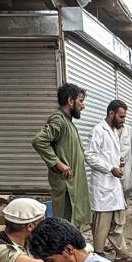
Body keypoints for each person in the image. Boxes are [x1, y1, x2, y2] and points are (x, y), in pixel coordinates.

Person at [32, 83, 92, 231]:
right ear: (70, 101)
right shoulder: (59, 120)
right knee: (63, 225)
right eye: (81, 101)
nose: (83, 106)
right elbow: (39, 141)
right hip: (65, 185)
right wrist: (59, 164)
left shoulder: (68, 122)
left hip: (72, 184)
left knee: (71, 225)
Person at [85, 99, 132, 262]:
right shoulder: (98, 130)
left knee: (118, 222)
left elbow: (108, 153)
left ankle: (121, 253)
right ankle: (99, 253)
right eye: (121, 116)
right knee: (102, 223)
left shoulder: (114, 130)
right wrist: (110, 168)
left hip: (113, 184)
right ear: (111, 113)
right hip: (103, 184)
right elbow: (90, 156)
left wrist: (118, 162)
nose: (123, 120)